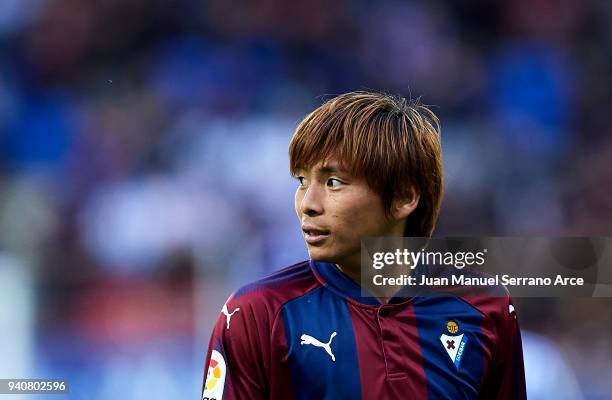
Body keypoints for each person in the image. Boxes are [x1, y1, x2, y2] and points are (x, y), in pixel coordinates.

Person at [201, 91, 526, 399]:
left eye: (333, 182)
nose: (307, 204)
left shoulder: (485, 306)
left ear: (403, 197)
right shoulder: (257, 314)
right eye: (302, 181)